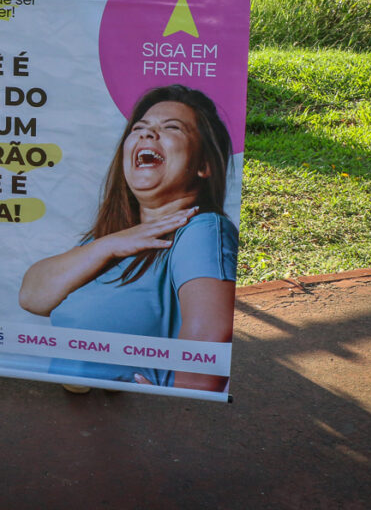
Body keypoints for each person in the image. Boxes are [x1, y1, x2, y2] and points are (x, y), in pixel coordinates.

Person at [18, 84, 238, 392]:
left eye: (171, 128)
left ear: (203, 165)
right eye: (140, 128)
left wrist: (172, 412)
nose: (148, 135)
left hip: (131, 429)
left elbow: (207, 347)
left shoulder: (201, 230)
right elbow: (31, 296)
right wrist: (108, 244)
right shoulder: (109, 243)